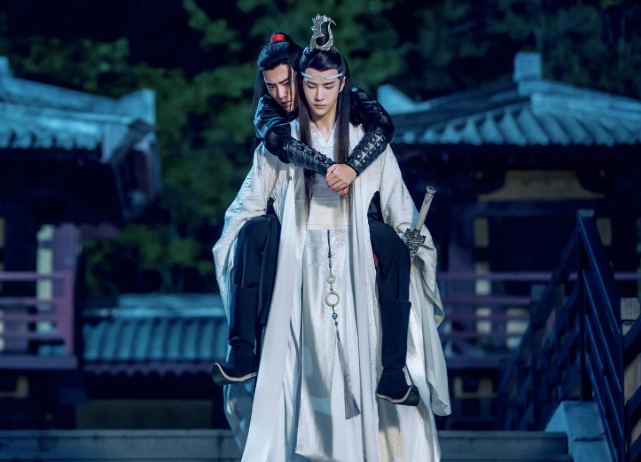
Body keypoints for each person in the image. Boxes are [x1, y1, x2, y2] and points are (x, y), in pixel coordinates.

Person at [213, 15, 450, 462]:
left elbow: (401, 210)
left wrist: (414, 248)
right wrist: (253, 239)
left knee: (392, 258)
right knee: (294, 378)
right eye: (309, 85)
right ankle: (243, 352)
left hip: (357, 261)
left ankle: (392, 374)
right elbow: (243, 211)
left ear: (342, 84)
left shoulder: (368, 140)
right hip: (296, 265)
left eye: (327, 85)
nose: (317, 95)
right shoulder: (277, 142)